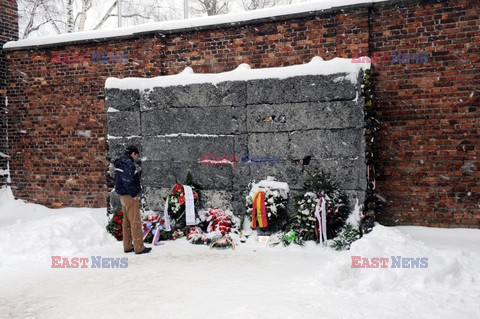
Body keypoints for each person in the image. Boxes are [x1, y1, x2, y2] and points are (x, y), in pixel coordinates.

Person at [114, 145, 151, 254]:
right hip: (130, 196)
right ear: (133, 154)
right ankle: (139, 247)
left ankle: (127, 246)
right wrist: (134, 194)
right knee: (135, 221)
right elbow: (128, 180)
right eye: (136, 155)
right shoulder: (128, 164)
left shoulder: (120, 162)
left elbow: (120, 179)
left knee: (126, 222)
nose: (136, 158)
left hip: (122, 196)